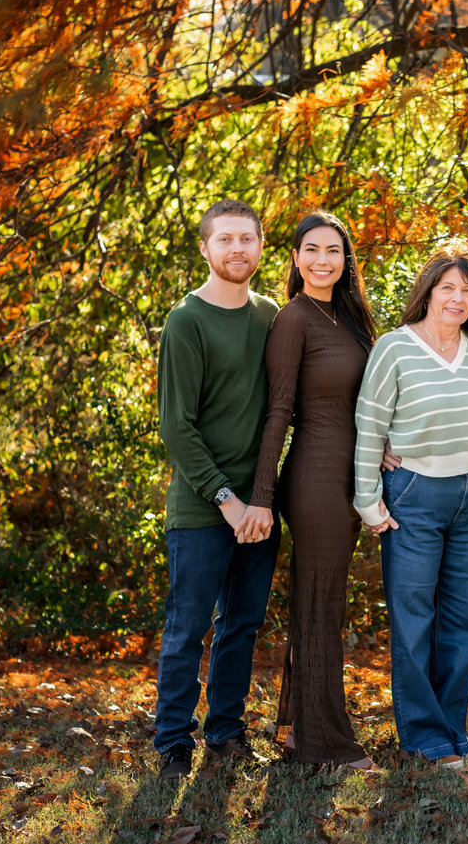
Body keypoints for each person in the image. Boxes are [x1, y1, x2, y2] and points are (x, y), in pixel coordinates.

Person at [237, 212, 379, 771]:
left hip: (352, 477)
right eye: (312, 250)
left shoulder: (348, 316)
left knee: (322, 604)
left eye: (334, 251)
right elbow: (278, 412)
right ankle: (328, 744)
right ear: (295, 258)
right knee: (321, 607)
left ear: (347, 260)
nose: (323, 260)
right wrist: (262, 495)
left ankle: (298, 727)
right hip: (316, 480)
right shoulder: (294, 318)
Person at [353, 244, 468, 768]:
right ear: (428, 293)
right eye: (448, 288)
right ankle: (422, 735)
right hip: (413, 493)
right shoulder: (395, 347)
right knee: (414, 619)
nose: (458, 298)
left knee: (465, 619)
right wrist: (367, 499)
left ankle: (452, 728)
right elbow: (370, 425)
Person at [154, 198, 280, 780]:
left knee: (243, 625)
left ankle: (226, 732)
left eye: (246, 239)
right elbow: (176, 427)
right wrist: (227, 502)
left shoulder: (272, 315)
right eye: (224, 239)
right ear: (204, 248)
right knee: (188, 628)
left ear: (260, 247)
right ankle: (172, 740)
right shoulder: (187, 321)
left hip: (257, 506)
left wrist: (258, 500)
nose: (236, 250)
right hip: (205, 509)